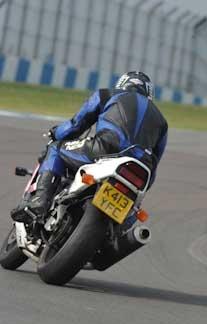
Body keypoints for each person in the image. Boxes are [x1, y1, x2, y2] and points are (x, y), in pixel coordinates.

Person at [11, 71, 168, 223]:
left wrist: (55, 133)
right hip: (141, 169)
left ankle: (40, 201)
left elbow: (76, 125)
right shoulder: (162, 122)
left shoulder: (107, 94)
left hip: (105, 149)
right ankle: (117, 235)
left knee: (56, 149)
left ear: (122, 84)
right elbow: (156, 161)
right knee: (134, 209)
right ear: (149, 93)